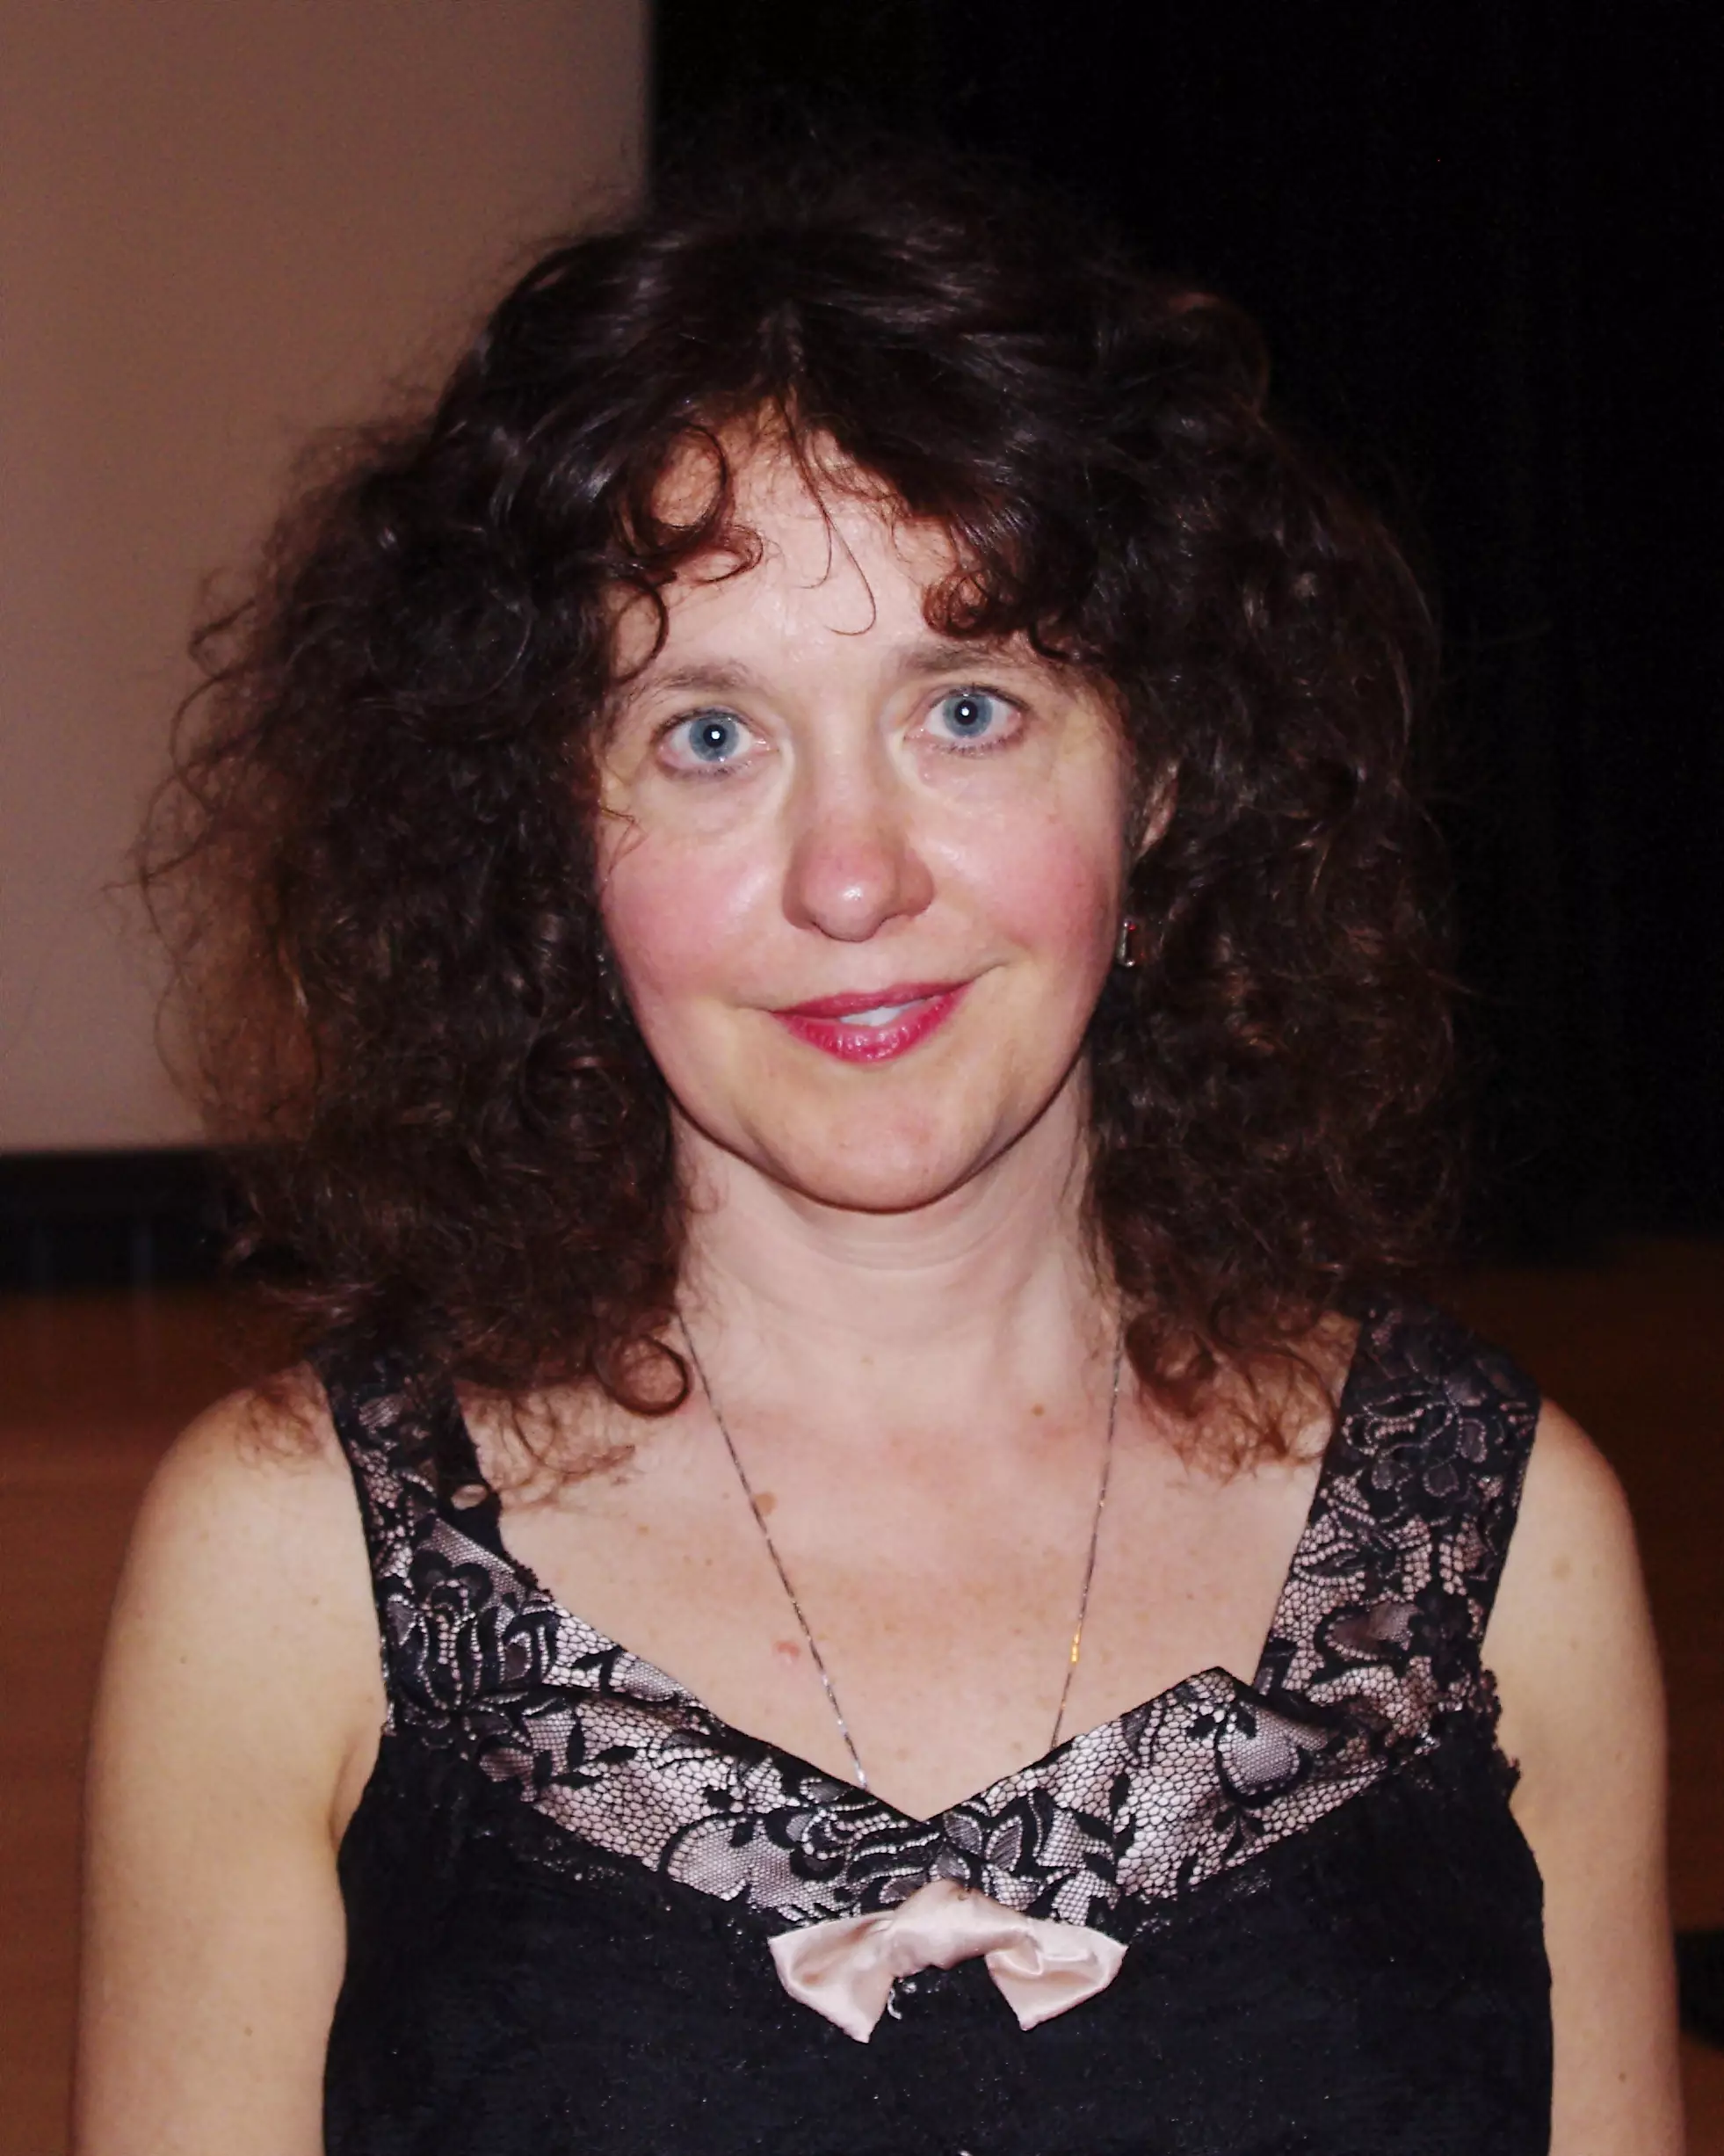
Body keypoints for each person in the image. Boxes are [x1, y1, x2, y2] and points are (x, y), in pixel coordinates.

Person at [76, 140, 1681, 2154]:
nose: (852, 876)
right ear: (547, 830)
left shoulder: (1508, 1544)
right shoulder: (289, 1563)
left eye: (969, 709)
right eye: (710, 736)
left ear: (1160, 775)